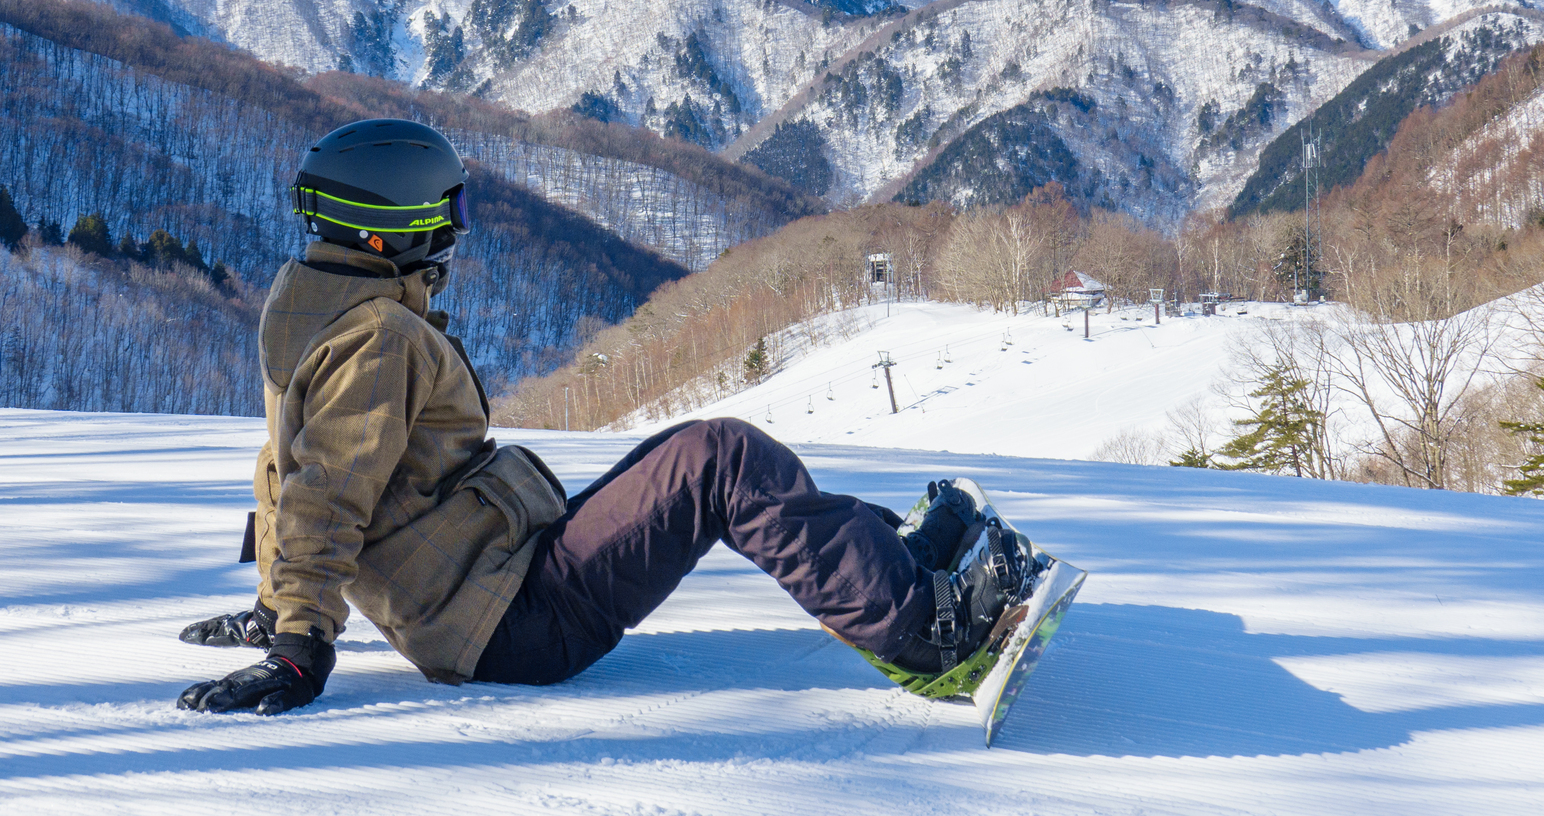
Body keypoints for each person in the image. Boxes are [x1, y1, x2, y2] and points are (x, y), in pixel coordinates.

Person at [176, 118, 1013, 716]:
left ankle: (892, 563)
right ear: (394, 226)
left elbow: (281, 466)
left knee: (685, 453)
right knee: (716, 459)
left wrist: (273, 606)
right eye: (451, 209)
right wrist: (299, 642)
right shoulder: (377, 339)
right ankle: (925, 631)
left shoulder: (320, 319)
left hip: (499, 573)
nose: (458, 229)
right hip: (510, 620)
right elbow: (325, 487)